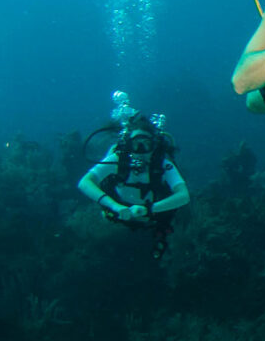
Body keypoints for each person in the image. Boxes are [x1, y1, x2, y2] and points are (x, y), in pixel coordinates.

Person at [78, 93, 190, 258]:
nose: (140, 151)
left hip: (153, 215)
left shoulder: (162, 164)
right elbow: (85, 183)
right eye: (135, 145)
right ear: (127, 145)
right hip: (116, 212)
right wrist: (115, 207)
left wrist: (149, 209)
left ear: (154, 146)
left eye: (146, 145)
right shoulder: (117, 160)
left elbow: (184, 195)